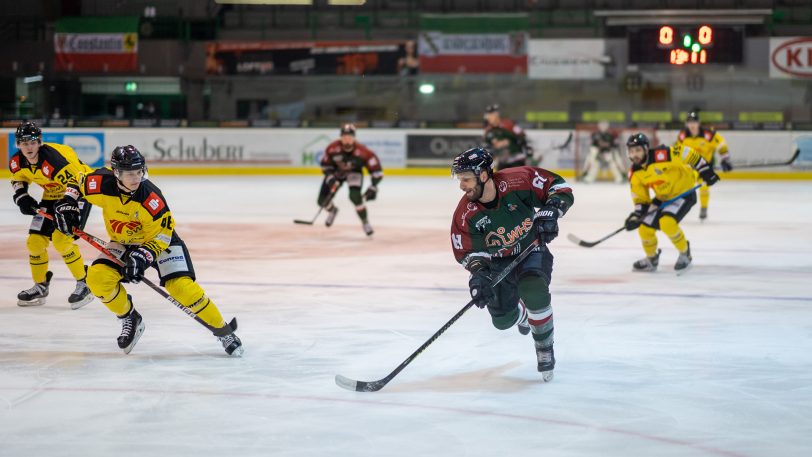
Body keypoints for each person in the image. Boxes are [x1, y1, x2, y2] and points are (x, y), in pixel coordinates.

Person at [53, 145, 243, 356]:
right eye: (129, 173)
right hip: (123, 241)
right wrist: (68, 201)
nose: (136, 178)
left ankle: (224, 331)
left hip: (161, 242)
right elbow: (76, 180)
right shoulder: (100, 183)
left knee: (182, 288)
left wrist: (142, 257)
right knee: (97, 279)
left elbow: (162, 235)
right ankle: (129, 318)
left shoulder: (151, 198)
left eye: (139, 172)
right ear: (116, 173)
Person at [450, 147, 574, 381]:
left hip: (531, 250)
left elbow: (558, 187)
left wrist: (552, 209)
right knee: (502, 321)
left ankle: (544, 348)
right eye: (460, 179)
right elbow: (468, 251)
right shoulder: (466, 214)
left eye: (466, 179)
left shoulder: (518, 181)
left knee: (534, 289)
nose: (462, 186)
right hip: (497, 263)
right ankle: (524, 316)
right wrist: (478, 275)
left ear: (484, 174)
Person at [8, 120, 94, 309]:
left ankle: (85, 282)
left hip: (79, 192)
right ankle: (40, 286)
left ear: (39, 142)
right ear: (18, 144)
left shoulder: (52, 159)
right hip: (53, 195)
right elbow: (18, 179)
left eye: (32, 142)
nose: (29, 147)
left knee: (62, 240)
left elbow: (77, 182)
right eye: (24, 143)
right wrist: (21, 196)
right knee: (35, 242)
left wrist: (68, 207)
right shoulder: (17, 161)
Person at [624, 133, 720, 273]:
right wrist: (636, 216)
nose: (635, 155)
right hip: (663, 197)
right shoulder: (635, 173)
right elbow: (640, 199)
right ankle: (651, 259)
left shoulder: (661, 155)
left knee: (667, 223)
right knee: (644, 228)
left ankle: (685, 253)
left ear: (645, 149)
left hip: (683, 193)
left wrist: (704, 169)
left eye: (638, 150)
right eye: (631, 151)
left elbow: (686, 153)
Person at [318, 123, 383, 236]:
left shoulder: (364, 152)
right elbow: (325, 165)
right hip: (336, 173)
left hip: (354, 173)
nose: (347, 139)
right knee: (322, 201)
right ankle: (333, 210)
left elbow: (377, 172)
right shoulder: (332, 148)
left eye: (349, 136)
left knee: (355, 197)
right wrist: (330, 177)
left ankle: (365, 222)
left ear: (354, 137)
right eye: (344, 136)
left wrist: (373, 186)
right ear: (340, 137)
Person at [673, 111, 732, 221]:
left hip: (704, 167)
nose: (692, 125)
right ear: (686, 124)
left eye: (694, 122)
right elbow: (676, 151)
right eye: (689, 122)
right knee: (680, 188)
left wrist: (725, 159)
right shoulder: (682, 135)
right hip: (688, 168)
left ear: (699, 123)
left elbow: (721, 144)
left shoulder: (708, 134)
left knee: (703, 187)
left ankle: (704, 208)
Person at [483, 104, 531, 170]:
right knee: (500, 178)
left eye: (491, 114)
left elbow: (522, 137)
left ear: (497, 115)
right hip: (502, 161)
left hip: (516, 160)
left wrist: (528, 153)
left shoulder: (509, 124)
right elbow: (487, 147)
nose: (488, 117)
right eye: (488, 115)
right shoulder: (488, 131)